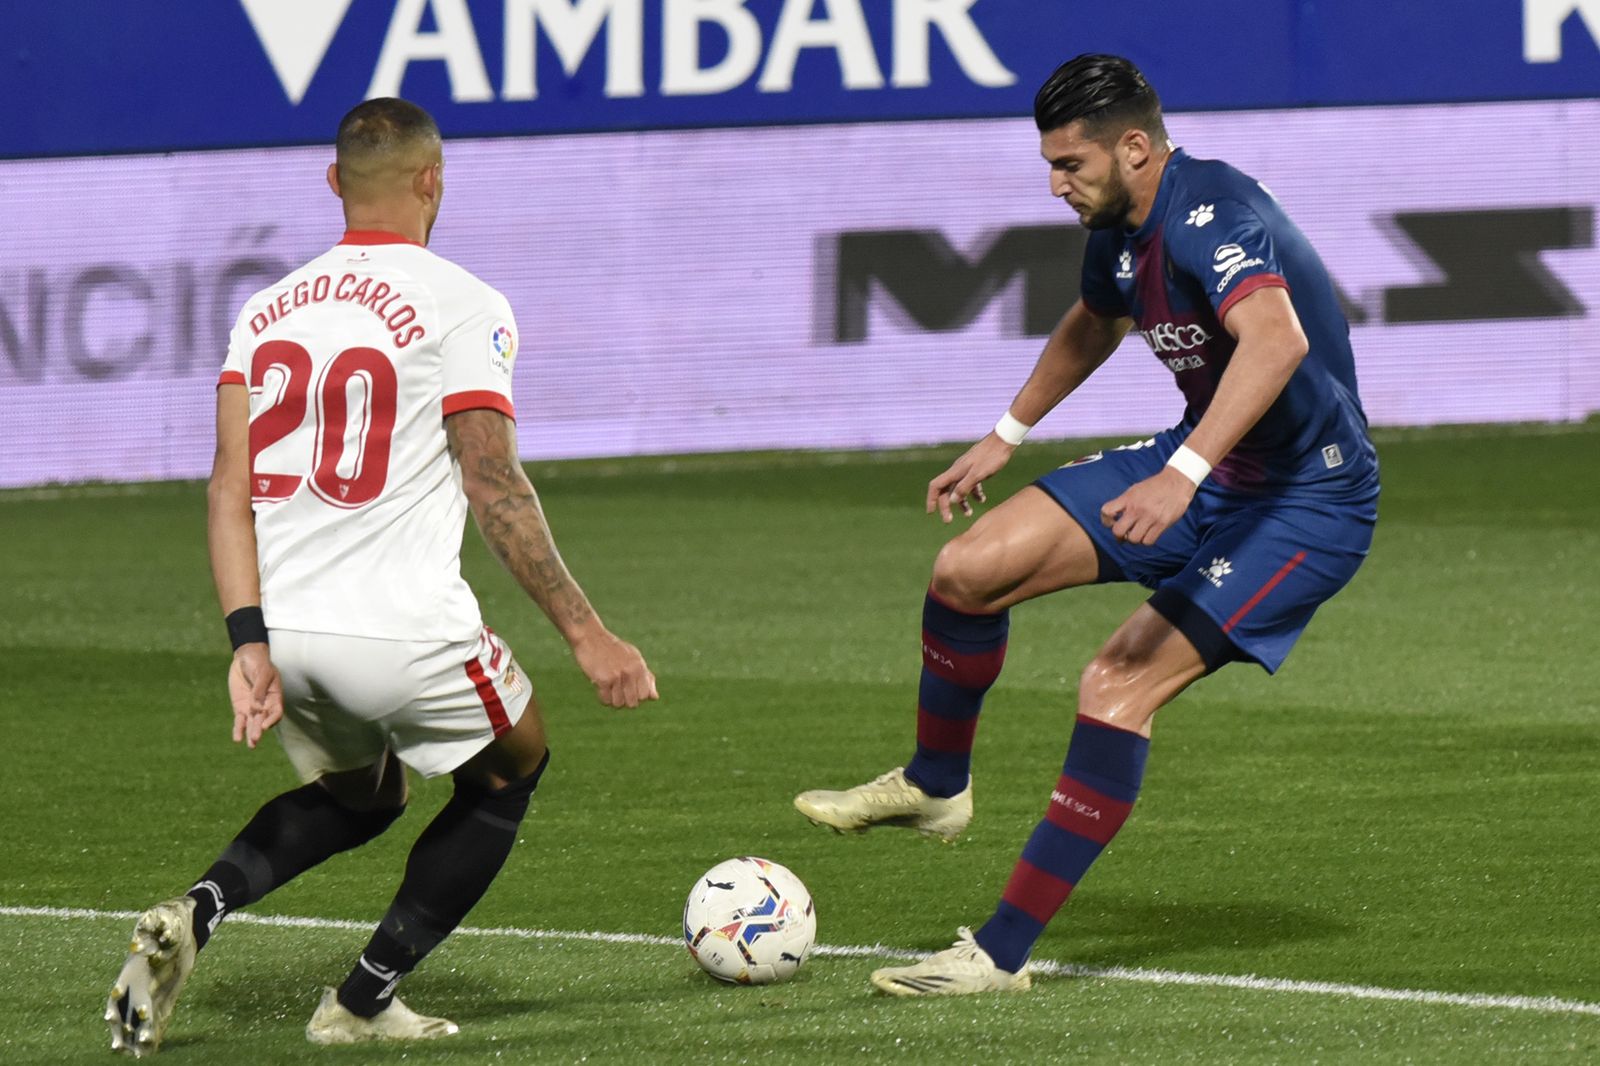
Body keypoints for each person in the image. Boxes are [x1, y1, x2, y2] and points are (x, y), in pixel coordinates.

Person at [794, 53, 1379, 996]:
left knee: (1115, 681)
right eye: (1051, 165)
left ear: (1136, 148)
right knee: (967, 569)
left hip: (1307, 500)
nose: (1057, 184)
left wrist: (1183, 477)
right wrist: (1005, 433)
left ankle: (997, 957)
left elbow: (1278, 340)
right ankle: (937, 785)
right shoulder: (1118, 225)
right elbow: (1093, 322)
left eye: (1072, 165)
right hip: (1211, 459)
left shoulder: (1209, 213)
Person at [105, 97, 657, 1054]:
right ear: (433, 180)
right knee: (511, 768)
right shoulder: (464, 302)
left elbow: (228, 485)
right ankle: (360, 1002)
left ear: (334, 184)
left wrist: (247, 642)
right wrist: (585, 632)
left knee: (365, 796)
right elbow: (494, 483)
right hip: (404, 627)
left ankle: (198, 909)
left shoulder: (264, 309)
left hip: (289, 633)